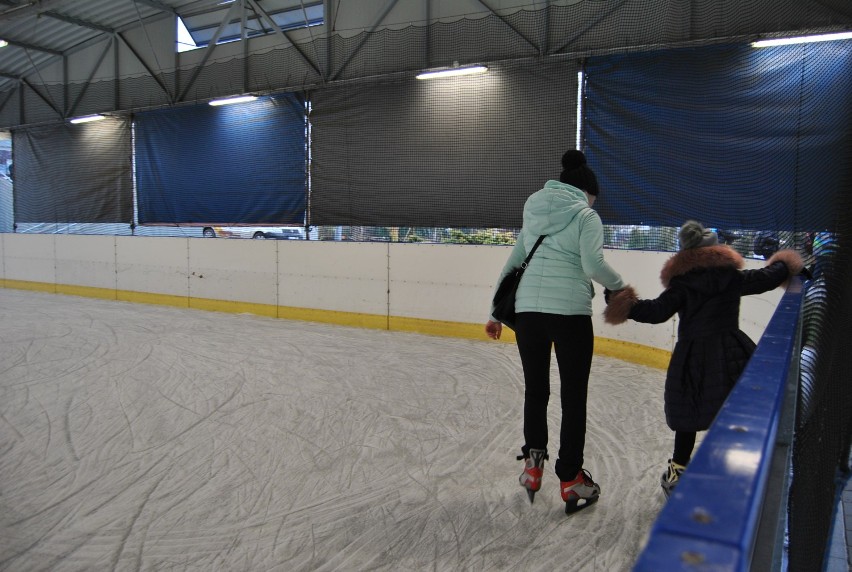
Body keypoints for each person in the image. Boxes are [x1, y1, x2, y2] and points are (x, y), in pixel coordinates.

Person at [604, 220, 803, 497]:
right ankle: (734, 467)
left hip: (694, 355)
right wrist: (786, 264)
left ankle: (678, 470)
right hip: (730, 349)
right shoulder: (731, 277)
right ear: (716, 250)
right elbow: (765, 279)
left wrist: (621, 301)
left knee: (688, 411)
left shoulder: (683, 284)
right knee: (733, 410)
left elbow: (657, 311)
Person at [485, 150, 627, 514]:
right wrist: (620, 286)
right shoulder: (585, 215)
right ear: (585, 191)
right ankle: (571, 479)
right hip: (570, 315)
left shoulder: (533, 213)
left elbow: (513, 262)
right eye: (593, 197)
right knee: (573, 397)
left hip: (528, 313)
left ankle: (533, 466)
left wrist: (494, 313)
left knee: (536, 390)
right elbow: (592, 263)